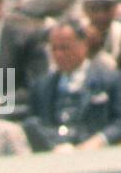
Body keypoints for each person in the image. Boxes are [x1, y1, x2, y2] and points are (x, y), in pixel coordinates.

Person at [24, 19, 121, 152]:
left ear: (84, 45)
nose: (58, 54)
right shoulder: (42, 86)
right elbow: (34, 122)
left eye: (64, 48)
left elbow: (119, 121)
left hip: (96, 154)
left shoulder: (110, 79)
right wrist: (52, 145)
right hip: (54, 155)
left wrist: (100, 140)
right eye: (54, 49)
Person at [81, 0, 121, 71]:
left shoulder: (119, 33)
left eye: (106, 7)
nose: (100, 14)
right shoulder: (77, 33)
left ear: (115, 8)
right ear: (86, 9)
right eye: (94, 8)